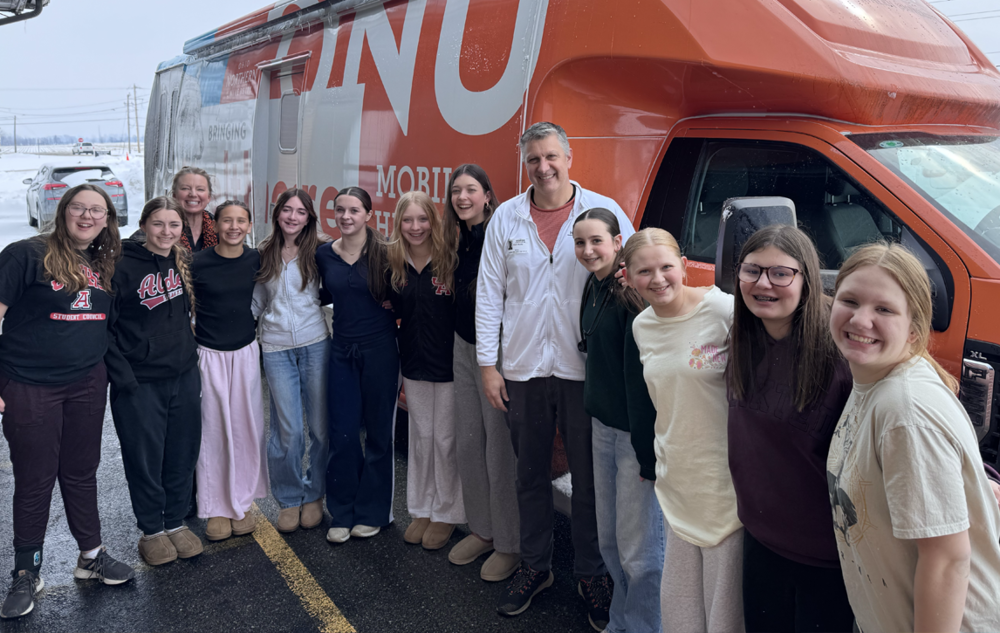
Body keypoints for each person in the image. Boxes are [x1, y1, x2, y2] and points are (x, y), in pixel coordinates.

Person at [477, 121, 632, 628]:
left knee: (588, 479)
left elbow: (630, 280)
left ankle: (591, 573)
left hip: (584, 369)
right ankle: (536, 566)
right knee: (530, 474)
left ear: (569, 157)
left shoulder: (603, 212)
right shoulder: (506, 217)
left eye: (551, 157)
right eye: (533, 160)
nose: (543, 167)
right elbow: (488, 294)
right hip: (522, 368)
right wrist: (487, 365)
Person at [826, 242, 1000, 633]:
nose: (860, 320)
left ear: (914, 328)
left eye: (884, 309)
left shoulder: (905, 411)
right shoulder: (874, 378)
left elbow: (946, 561)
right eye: (850, 300)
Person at [0, 184, 134, 620]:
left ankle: (90, 556)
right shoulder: (25, 254)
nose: (87, 216)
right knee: (35, 477)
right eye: (79, 207)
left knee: (81, 471)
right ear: (62, 211)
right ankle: (26, 570)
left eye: (97, 210)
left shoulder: (104, 261)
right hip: (29, 383)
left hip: (87, 383)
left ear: (108, 219)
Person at [725, 225, 854, 631]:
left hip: (825, 555)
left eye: (781, 273)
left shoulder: (840, 355)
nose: (764, 283)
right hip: (761, 538)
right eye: (752, 271)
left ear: (806, 280)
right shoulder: (743, 340)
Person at [624, 227, 743, 632]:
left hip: (725, 487)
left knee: (725, 617)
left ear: (684, 265)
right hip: (676, 482)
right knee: (680, 615)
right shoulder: (642, 326)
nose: (657, 280)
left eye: (666, 267)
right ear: (628, 275)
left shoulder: (725, 311)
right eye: (644, 272)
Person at [573, 209, 663, 633]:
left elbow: (641, 384)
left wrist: (648, 456)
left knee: (640, 550)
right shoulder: (593, 287)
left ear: (616, 243)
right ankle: (622, 620)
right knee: (610, 540)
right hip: (602, 429)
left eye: (597, 241)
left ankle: (645, 625)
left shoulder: (631, 297)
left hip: (633, 437)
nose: (588, 250)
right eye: (580, 243)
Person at [105, 197, 204, 566]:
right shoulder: (120, 265)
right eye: (159, 224)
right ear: (144, 224)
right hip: (140, 381)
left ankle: (175, 522)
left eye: (174, 225)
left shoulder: (182, 259)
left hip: (182, 373)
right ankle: (152, 530)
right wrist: (125, 378)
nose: (166, 232)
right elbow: (105, 329)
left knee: (181, 451)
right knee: (145, 457)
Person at [443, 164, 521, 581]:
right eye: (456, 191)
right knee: (469, 443)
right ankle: (483, 530)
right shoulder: (459, 239)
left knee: (499, 451)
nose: (462, 198)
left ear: (488, 195)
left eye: (471, 190)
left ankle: (510, 542)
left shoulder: (499, 234)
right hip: (463, 345)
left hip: (496, 353)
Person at [317, 187, 399, 544]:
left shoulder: (386, 253)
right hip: (342, 352)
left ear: (369, 215)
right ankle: (343, 510)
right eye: (340, 211)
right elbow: (318, 294)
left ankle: (373, 511)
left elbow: (403, 296)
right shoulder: (324, 255)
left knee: (379, 434)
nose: (346, 217)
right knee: (344, 432)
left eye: (354, 210)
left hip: (381, 350)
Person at [387, 191, 466, 550]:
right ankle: (421, 508)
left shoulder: (449, 260)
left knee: (445, 440)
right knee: (421, 438)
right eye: (408, 220)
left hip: (449, 364)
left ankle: (447, 513)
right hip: (414, 362)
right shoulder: (395, 263)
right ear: (399, 224)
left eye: (422, 219)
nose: (415, 227)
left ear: (433, 222)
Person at [252, 188, 330, 534]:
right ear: (277, 213)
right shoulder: (263, 252)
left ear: (309, 217)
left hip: (316, 344)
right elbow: (255, 302)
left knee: (320, 427)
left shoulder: (322, 252)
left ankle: (315, 494)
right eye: (287, 210)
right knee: (288, 431)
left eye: (301, 212)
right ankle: (289, 498)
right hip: (276, 348)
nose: (293, 217)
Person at [191, 200, 268, 541]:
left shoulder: (257, 260)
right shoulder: (197, 263)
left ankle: (244, 501)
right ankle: (215, 507)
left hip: (246, 353)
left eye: (240, 221)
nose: (233, 227)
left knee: (245, 428)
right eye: (227, 221)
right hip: (209, 355)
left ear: (249, 226)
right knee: (212, 431)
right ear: (216, 225)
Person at [172, 167, 218, 252]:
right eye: (185, 188)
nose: (193, 194)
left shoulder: (220, 229)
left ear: (209, 197)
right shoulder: (158, 228)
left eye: (200, 189)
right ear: (174, 195)